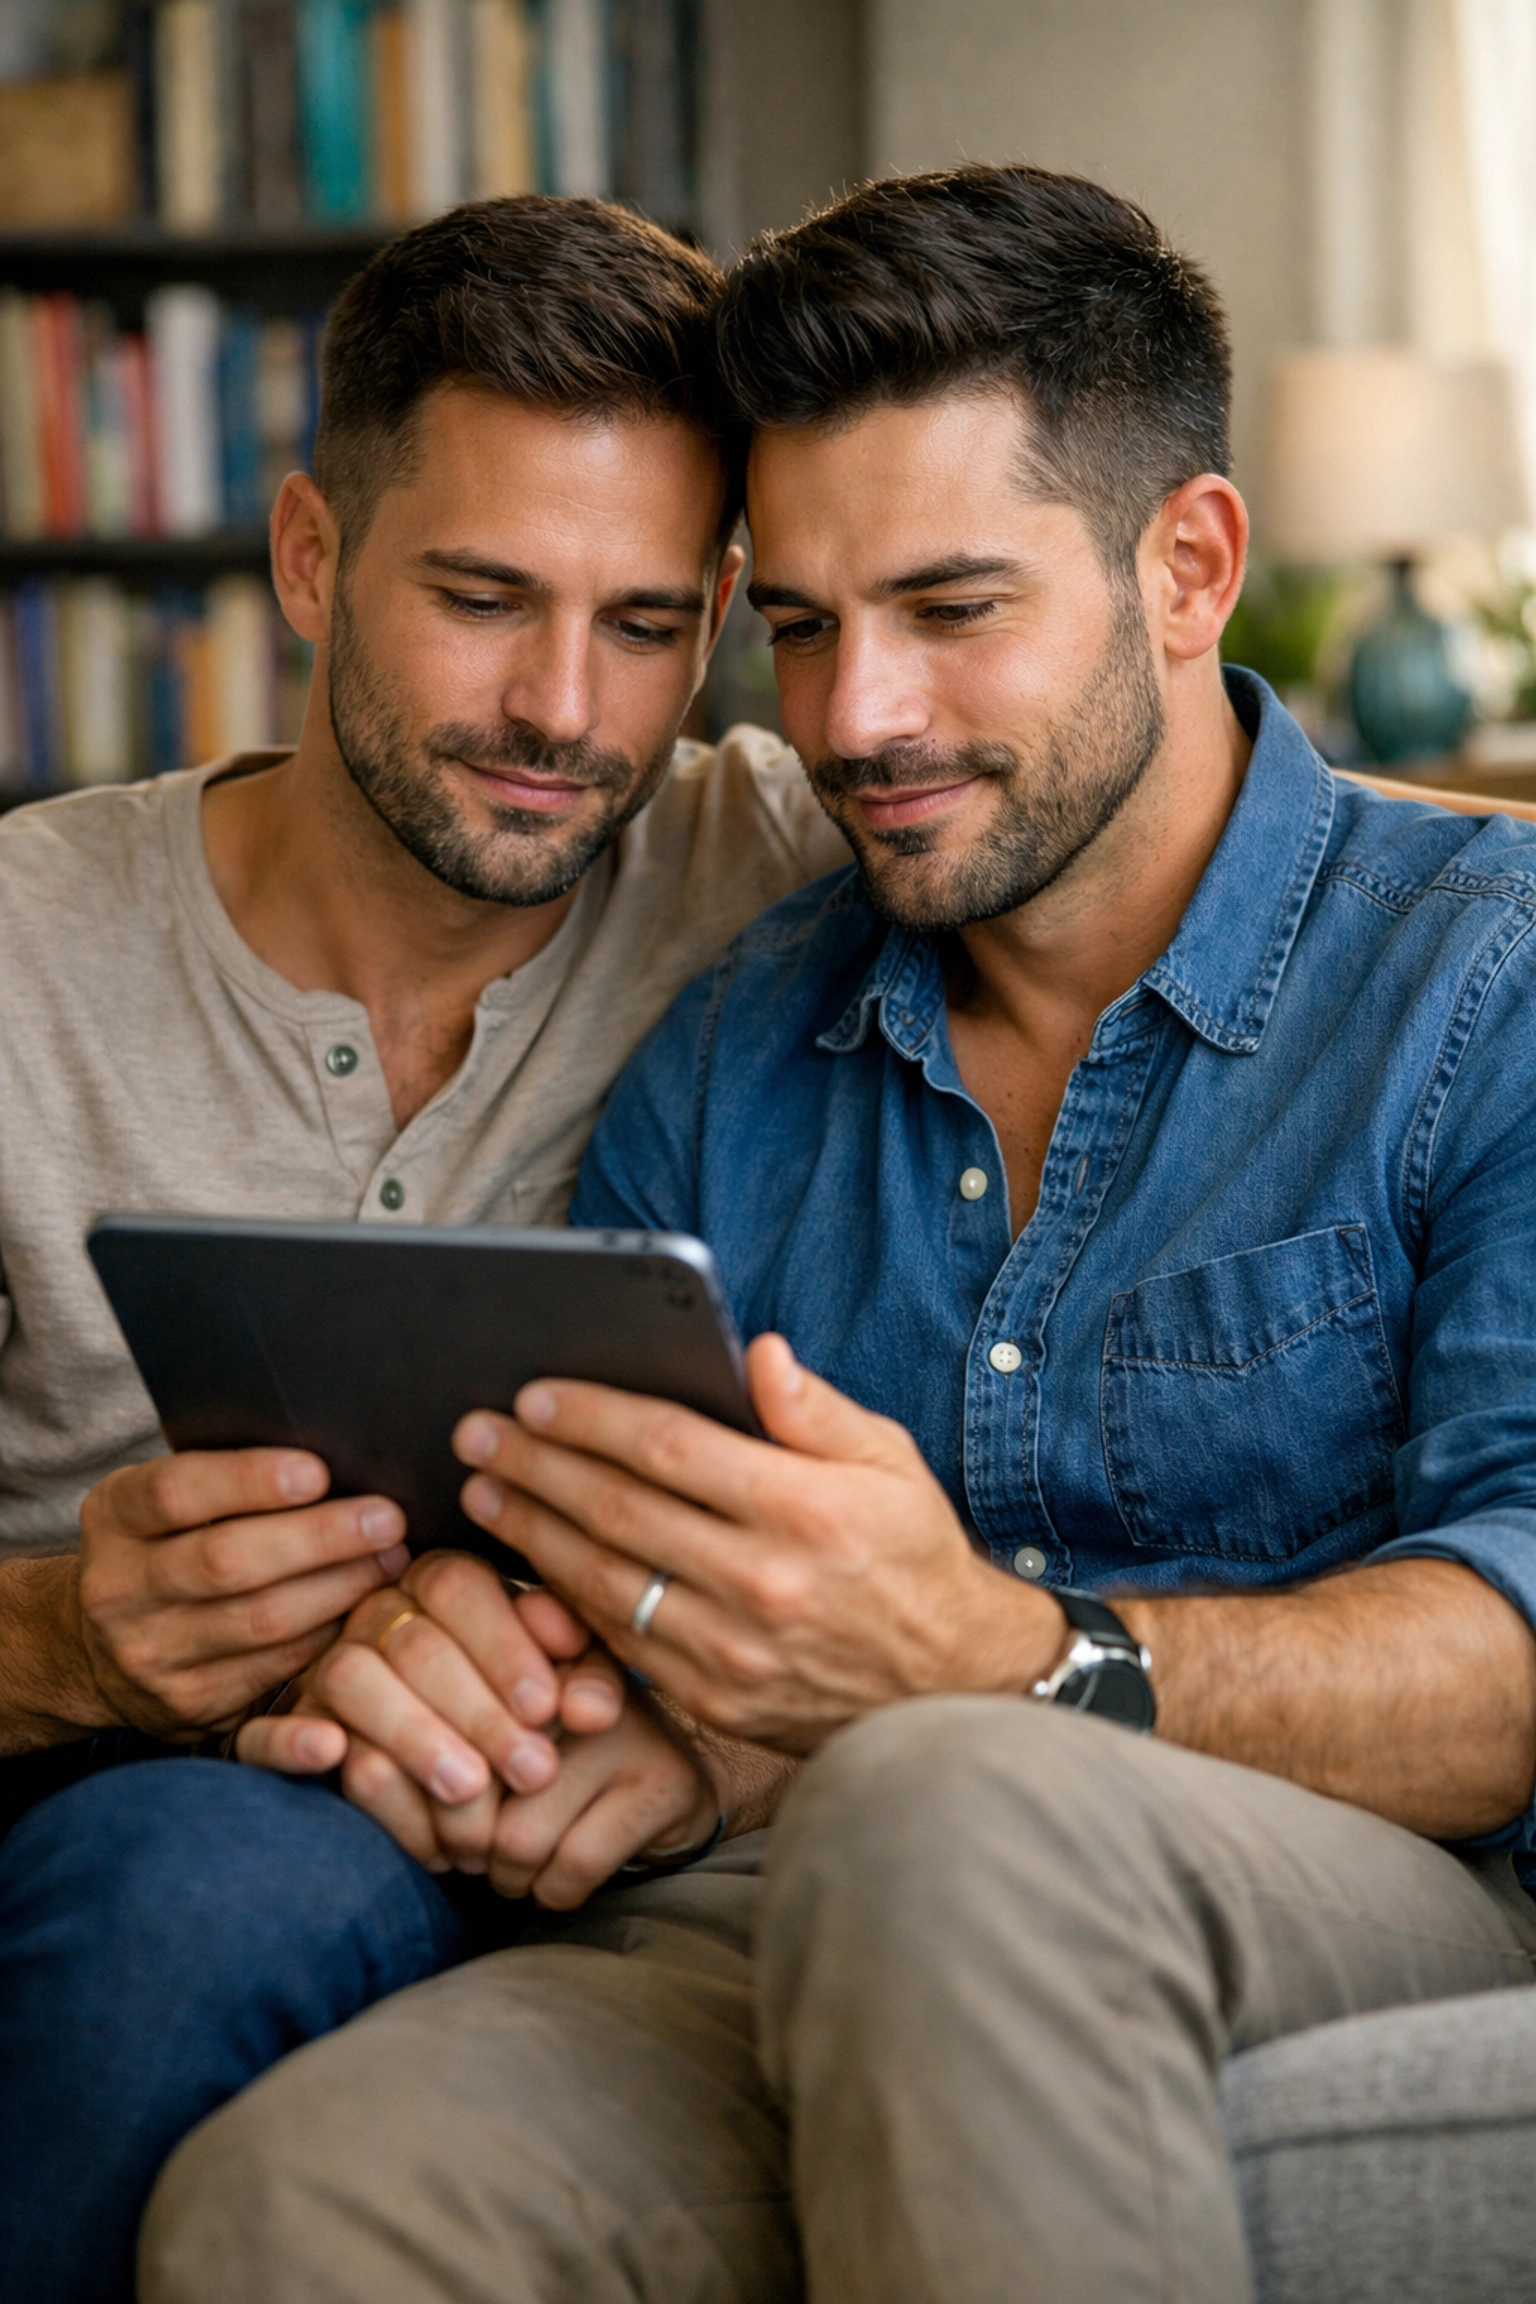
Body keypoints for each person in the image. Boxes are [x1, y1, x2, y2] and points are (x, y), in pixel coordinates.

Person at [144, 164, 1536, 2304]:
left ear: (1189, 567)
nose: (854, 720)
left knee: (948, 1808)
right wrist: (556, 1699)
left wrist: (1003, 1666)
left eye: (952, 609)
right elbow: (605, 1612)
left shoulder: (1481, 987)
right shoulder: (728, 1049)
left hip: (1369, 1881)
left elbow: (1516, 1657)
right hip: (779, 1893)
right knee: (305, 2189)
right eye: (798, 624)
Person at [0, 194, 846, 2304]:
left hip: (581, 1823)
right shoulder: (23, 947)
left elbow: (1262, 837)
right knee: (162, 1899)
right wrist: (68, 1645)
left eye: (648, 625)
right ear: (311, 558)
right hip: (125, 1785)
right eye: (481, 598)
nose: (564, 710)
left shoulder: (781, 851)